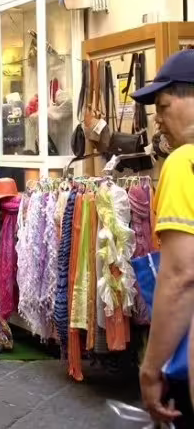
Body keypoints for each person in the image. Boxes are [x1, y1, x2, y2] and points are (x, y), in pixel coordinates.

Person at [131, 49, 194, 428]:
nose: (159, 120)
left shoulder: (185, 163)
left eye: (165, 104)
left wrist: (151, 369)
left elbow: (183, 275)